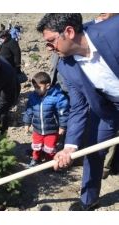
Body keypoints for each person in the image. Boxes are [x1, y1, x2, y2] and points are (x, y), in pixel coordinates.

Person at [37, 13, 119, 210]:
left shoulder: (114, 32)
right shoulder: (67, 66)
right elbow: (79, 106)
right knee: (92, 150)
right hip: (108, 109)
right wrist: (69, 147)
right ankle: (88, 201)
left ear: (69, 32)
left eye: (50, 41)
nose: (49, 48)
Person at [23, 72, 69, 167]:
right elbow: (29, 110)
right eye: (34, 87)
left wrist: (62, 126)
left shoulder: (57, 97)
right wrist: (27, 123)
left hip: (51, 129)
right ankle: (36, 158)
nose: (36, 90)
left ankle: (50, 162)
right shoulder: (33, 97)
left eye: (38, 87)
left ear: (47, 86)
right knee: (36, 145)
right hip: (37, 129)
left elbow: (62, 113)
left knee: (50, 147)